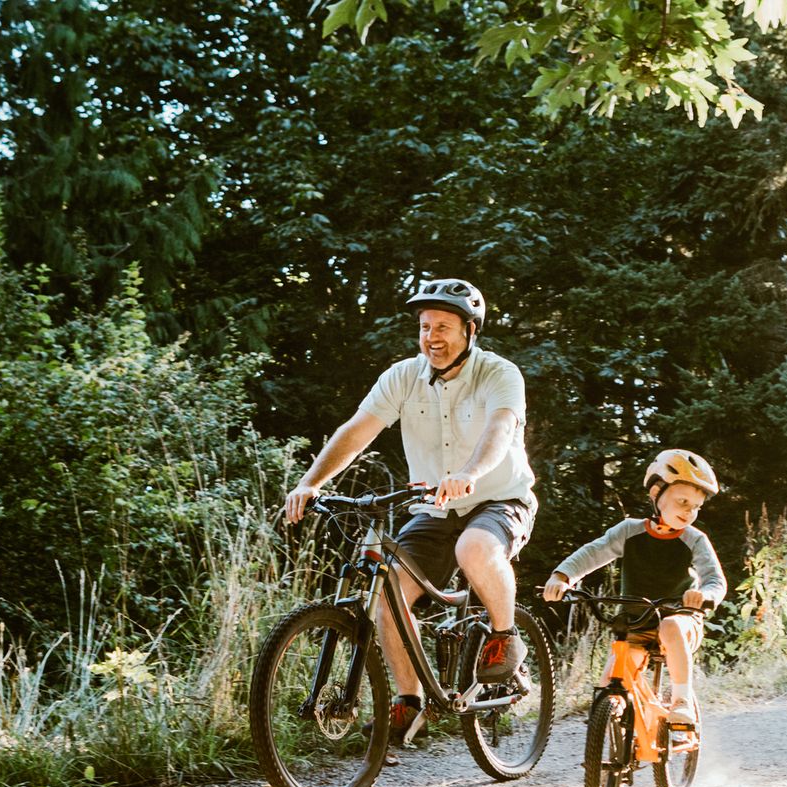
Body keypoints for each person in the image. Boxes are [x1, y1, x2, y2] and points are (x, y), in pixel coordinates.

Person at [283, 278, 535, 746]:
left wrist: (470, 473)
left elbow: (500, 430)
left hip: (499, 497)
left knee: (475, 547)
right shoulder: (403, 377)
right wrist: (310, 483)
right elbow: (357, 430)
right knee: (387, 592)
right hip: (435, 508)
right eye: (424, 326)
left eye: (443, 326)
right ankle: (410, 703)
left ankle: (505, 636)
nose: (431, 337)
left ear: (470, 332)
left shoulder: (499, 374)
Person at [542, 450, 728, 727]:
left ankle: (682, 701)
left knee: (671, 627)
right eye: (683, 501)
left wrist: (704, 596)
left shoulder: (694, 539)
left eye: (696, 507)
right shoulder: (630, 531)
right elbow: (594, 552)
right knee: (610, 686)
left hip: (682, 620)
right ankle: (610, 758)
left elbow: (715, 580)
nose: (690, 511)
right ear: (656, 492)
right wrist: (562, 576)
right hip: (636, 623)